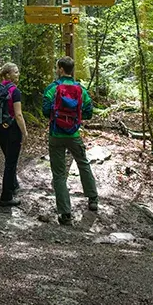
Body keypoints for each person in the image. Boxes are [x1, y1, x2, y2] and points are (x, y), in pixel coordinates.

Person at [42, 56, 98, 225]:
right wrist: (76, 119)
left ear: (60, 69)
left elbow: (45, 111)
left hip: (56, 135)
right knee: (83, 164)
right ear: (72, 70)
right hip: (74, 135)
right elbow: (89, 111)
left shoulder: (52, 89)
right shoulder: (80, 89)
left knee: (59, 174)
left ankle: (65, 213)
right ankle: (93, 199)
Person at [0, 62, 28, 207]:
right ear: (8, 75)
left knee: (9, 158)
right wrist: (25, 132)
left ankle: (13, 185)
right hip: (12, 129)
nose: (18, 74)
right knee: (11, 163)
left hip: (0, 128)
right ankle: (6, 196)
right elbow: (18, 115)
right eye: (15, 72)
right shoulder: (15, 91)